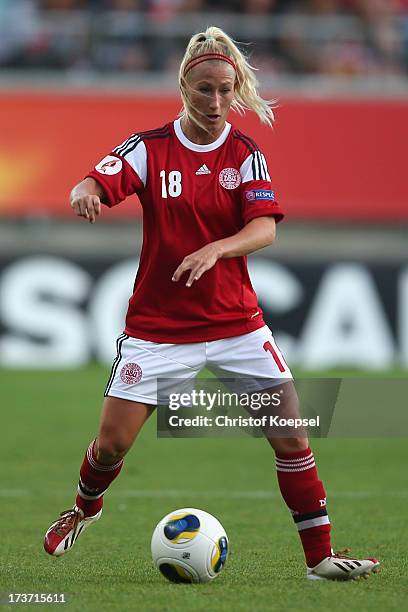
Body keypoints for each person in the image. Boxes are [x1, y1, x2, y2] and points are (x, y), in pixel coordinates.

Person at [43, 26, 379, 581]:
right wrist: (85, 192)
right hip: (158, 327)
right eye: (205, 90)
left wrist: (216, 250)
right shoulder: (151, 148)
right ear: (184, 86)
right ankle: (84, 508)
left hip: (236, 325)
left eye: (226, 89)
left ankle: (320, 559)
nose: (217, 102)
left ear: (237, 87)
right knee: (110, 446)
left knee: (292, 434)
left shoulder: (245, 153)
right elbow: (97, 181)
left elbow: (264, 228)